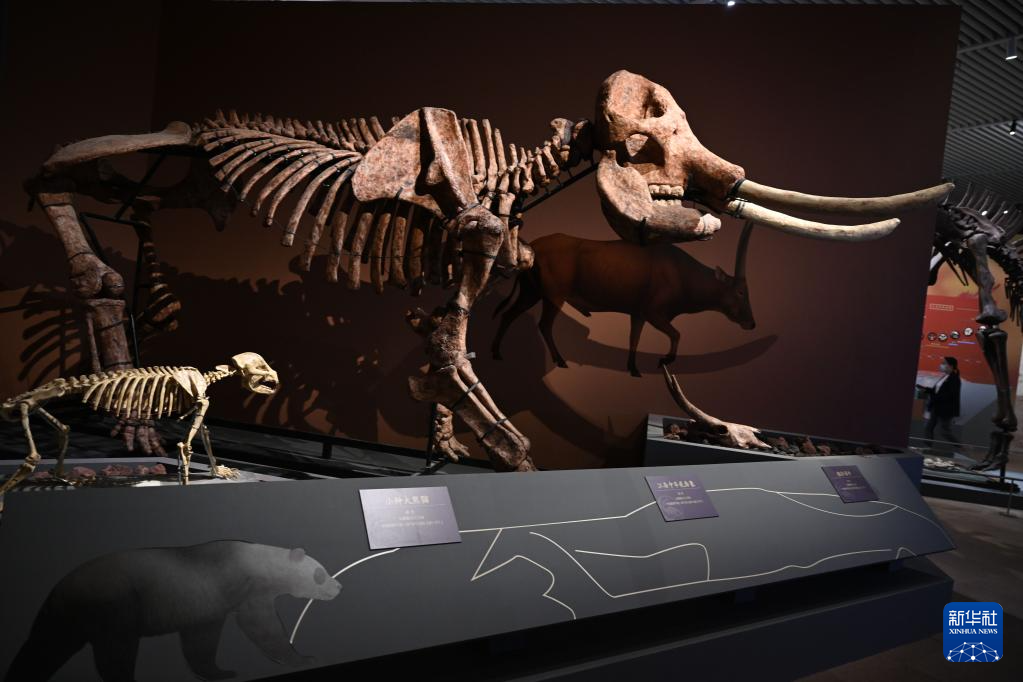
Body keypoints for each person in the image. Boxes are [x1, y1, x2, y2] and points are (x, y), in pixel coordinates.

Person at [917, 356, 962, 447]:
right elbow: (937, 391)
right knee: (928, 427)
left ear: (951, 366)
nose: (941, 365)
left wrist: (936, 397)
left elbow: (950, 394)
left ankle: (961, 446)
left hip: (945, 409)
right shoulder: (944, 377)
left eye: (944, 363)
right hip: (937, 407)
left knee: (944, 431)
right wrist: (926, 390)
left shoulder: (954, 379)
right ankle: (927, 448)